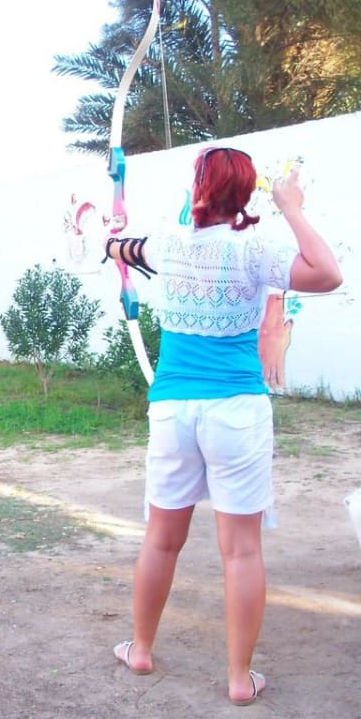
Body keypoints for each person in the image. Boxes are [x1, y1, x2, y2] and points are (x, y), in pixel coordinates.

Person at [103, 146, 343, 706]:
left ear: (199, 187)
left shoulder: (166, 243)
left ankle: (140, 648)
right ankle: (238, 680)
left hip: (173, 412)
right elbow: (327, 274)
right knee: (240, 551)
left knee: (162, 540)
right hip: (236, 411)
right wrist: (292, 208)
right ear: (248, 195)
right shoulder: (256, 250)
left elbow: (121, 247)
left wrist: (111, 237)